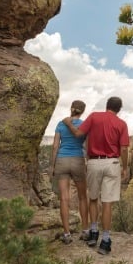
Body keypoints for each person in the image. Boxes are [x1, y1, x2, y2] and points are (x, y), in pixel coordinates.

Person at [63, 97, 129, 255]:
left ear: (107, 106)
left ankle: (93, 232)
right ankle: (105, 241)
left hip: (93, 163)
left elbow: (79, 134)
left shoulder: (94, 116)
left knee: (93, 199)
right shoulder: (121, 124)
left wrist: (68, 123)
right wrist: (125, 167)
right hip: (112, 163)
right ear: (119, 109)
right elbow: (125, 148)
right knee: (107, 203)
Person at [51, 100, 89, 244]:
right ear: (82, 111)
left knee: (64, 199)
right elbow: (86, 145)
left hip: (62, 160)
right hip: (77, 160)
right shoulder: (85, 125)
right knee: (82, 197)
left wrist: (52, 166)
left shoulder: (61, 124)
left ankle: (67, 234)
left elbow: (55, 146)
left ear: (71, 109)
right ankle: (85, 230)